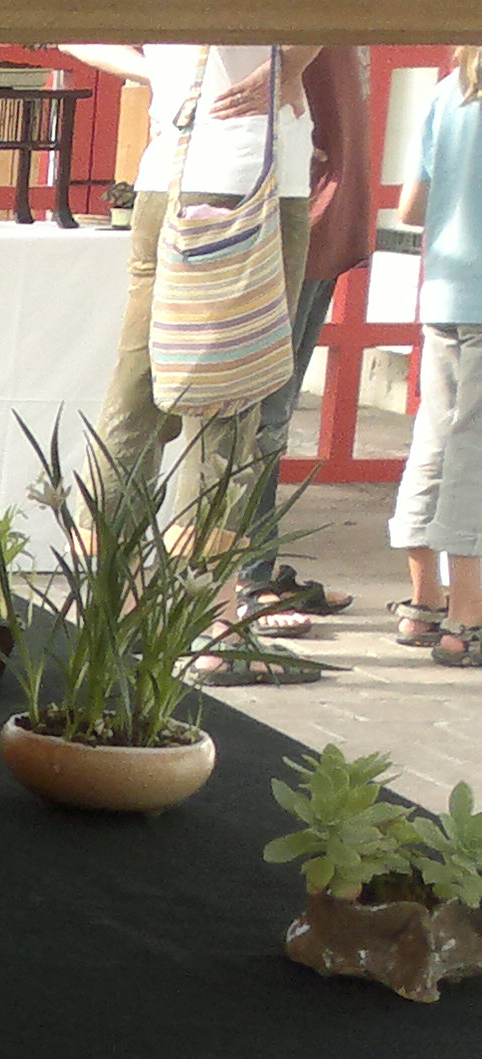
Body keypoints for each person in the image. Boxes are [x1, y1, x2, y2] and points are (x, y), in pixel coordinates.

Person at [65, 42, 321, 660]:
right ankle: (209, 626)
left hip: (166, 175)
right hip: (253, 182)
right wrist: (285, 67)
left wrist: (161, 67)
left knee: (135, 397)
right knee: (230, 406)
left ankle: (103, 608)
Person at [235, 49, 376, 627]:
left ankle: (258, 565)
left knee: (277, 408)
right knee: (264, 409)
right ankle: (247, 576)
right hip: (300, 207)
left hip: (326, 207)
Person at [395, 50, 482, 666]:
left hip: (445, 291)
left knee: (434, 442)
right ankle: (468, 618)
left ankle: (423, 602)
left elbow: (409, 208)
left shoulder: (447, 91)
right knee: (475, 454)